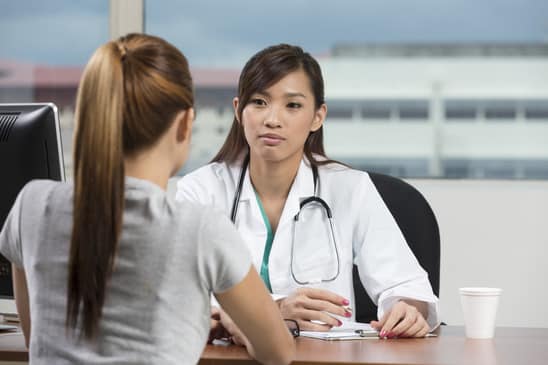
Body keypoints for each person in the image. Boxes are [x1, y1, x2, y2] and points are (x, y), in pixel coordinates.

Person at [0, 34, 295, 365]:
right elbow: (279, 352)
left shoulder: (32, 206)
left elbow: (34, 335)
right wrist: (235, 323)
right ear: (185, 124)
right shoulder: (199, 227)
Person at [176, 44, 440, 340]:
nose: (272, 119)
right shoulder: (199, 191)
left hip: (324, 359)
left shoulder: (350, 188)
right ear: (238, 110)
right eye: (260, 102)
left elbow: (409, 287)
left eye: (293, 105)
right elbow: (178, 299)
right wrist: (273, 310)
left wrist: (407, 310)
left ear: (317, 116)